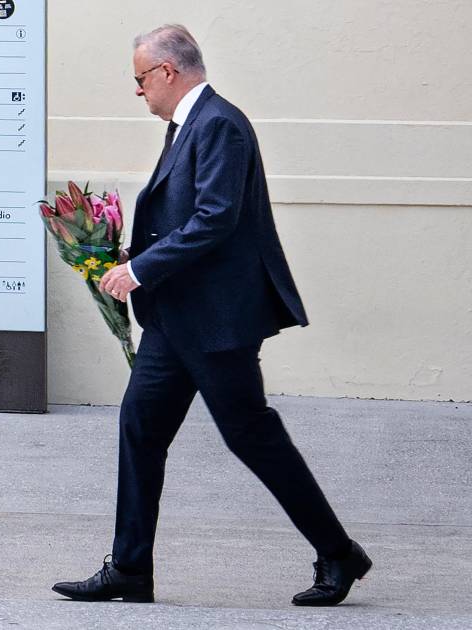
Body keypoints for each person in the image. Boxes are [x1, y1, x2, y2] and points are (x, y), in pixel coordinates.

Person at [52, 24, 371, 607]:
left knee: (252, 435)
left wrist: (140, 270)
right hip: (174, 318)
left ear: (167, 72)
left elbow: (215, 217)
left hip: (215, 321)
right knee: (140, 428)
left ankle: (338, 552)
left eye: (140, 79)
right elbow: (182, 219)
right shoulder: (188, 124)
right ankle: (129, 568)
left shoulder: (219, 123)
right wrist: (130, 256)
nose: (139, 91)